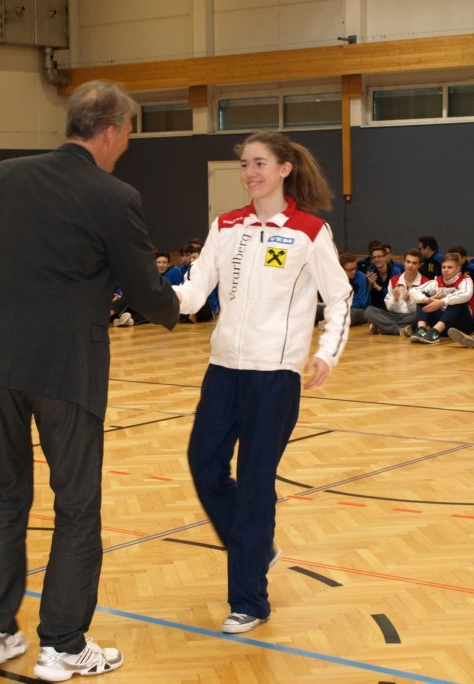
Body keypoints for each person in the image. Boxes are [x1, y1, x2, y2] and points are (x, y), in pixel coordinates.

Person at [0, 80, 178, 681]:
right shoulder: (113, 195)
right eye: (128, 134)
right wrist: (180, 305)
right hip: (63, 366)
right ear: (110, 131)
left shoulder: (2, 177)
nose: (127, 145)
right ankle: (63, 644)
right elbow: (146, 290)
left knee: (7, 492)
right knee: (76, 504)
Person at [173, 130, 351, 635]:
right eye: (245, 165)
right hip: (223, 370)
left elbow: (339, 298)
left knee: (255, 483)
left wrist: (326, 353)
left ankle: (249, 600)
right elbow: (195, 292)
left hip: (275, 377)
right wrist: (152, 293)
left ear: (283, 169)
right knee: (204, 464)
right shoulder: (226, 225)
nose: (250, 173)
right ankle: (256, 548)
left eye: (259, 164)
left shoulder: (309, 231)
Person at [410, 252, 474, 343]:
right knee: (423, 297)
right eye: (443, 267)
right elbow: (413, 291)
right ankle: (421, 330)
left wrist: (442, 302)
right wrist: (428, 300)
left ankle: (435, 332)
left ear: (458, 269)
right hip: (443, 323)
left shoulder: (465, 280)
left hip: (462, 324)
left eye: (450, 267)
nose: (446, 270)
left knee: (457, 300)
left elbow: (466, 294)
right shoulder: (437, 281)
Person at [364, 248, 428, 336]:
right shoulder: (394, 280)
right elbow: (389, 308)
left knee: (420, 315)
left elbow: (421, 309)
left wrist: (408, 301)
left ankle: (383, 328)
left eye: (414, 263)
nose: (410, 265)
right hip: (393, 315)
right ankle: (399, 330)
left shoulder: (425, 283)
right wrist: (395, 299)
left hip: (411, 316)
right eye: (408, 262)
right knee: (369, 311)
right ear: (404, 262)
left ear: (420, 265)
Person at [363, 243, 402, 324]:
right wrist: (369, 285)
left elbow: (394, 296)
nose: (377, 259)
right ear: (372, 260)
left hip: (393, 309)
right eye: (374, 257)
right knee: (368, 311)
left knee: (412, 315)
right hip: (379, 310)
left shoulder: (395, 271)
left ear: (385, 257)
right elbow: (366, 302)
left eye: (379, 256)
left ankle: (382, 325)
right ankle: (395, 327)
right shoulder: (371, 274)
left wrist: (376, 286)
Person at [338, 251, 368, 327]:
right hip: (340, 308)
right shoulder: (337, 279)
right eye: (350, 270)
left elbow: (361, 302)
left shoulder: (361, 277)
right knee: (318, 309)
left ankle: (334, 323)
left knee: (353, 314)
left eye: (355, 268)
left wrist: (344, 305)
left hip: (358, 309)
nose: (353, 272)